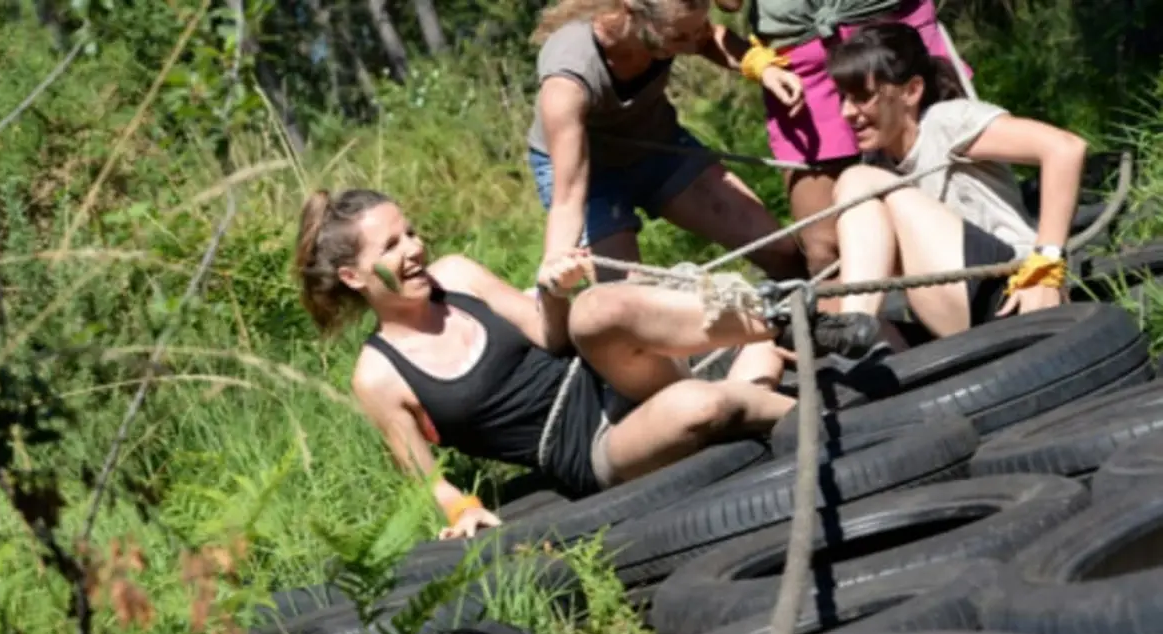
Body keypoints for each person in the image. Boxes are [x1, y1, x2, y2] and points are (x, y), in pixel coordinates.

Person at [293, 188, 796, 540]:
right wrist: (462, 510)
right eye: (391, 245)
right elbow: (428, 482)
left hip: (613, 373)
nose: (415, 248)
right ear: (353, 277)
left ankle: (785, 315)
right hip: (591, 445)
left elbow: (550, 334)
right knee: (700, 405)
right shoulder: (378, 375)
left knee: (596, 308)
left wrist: (555, 293)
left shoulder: (457, 276)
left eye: (411, 232)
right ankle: (797, 405)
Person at [822, 22, 1087, 338]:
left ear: (912, 91)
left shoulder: (947, 123)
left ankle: (855, 323)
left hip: (1012, 290)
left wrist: (1047, 264)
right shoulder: (878, 162)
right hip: (953, 315)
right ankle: (852, 329)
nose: (847, 113)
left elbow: (1065, 149)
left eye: (862, 97)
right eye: (843, 98)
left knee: (856, 180)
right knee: (805, 312)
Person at [526, 0, 810, 291]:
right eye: (678, 38)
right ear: (633, 13)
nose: (690, 46)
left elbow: (709, 38)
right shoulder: (568, 79)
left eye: (695, 30)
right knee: (627, 298)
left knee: (780, 250)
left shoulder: (676, 24)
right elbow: (569, 197)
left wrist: (761, 67)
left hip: (657, 148)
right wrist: (557, 261)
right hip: (588, 174)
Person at [715, 0, 973, 283]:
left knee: (960, 198)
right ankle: (860, 324)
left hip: (893, 30)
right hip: (802, 60)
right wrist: (759, 64)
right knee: (824, 250)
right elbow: (728, 5)